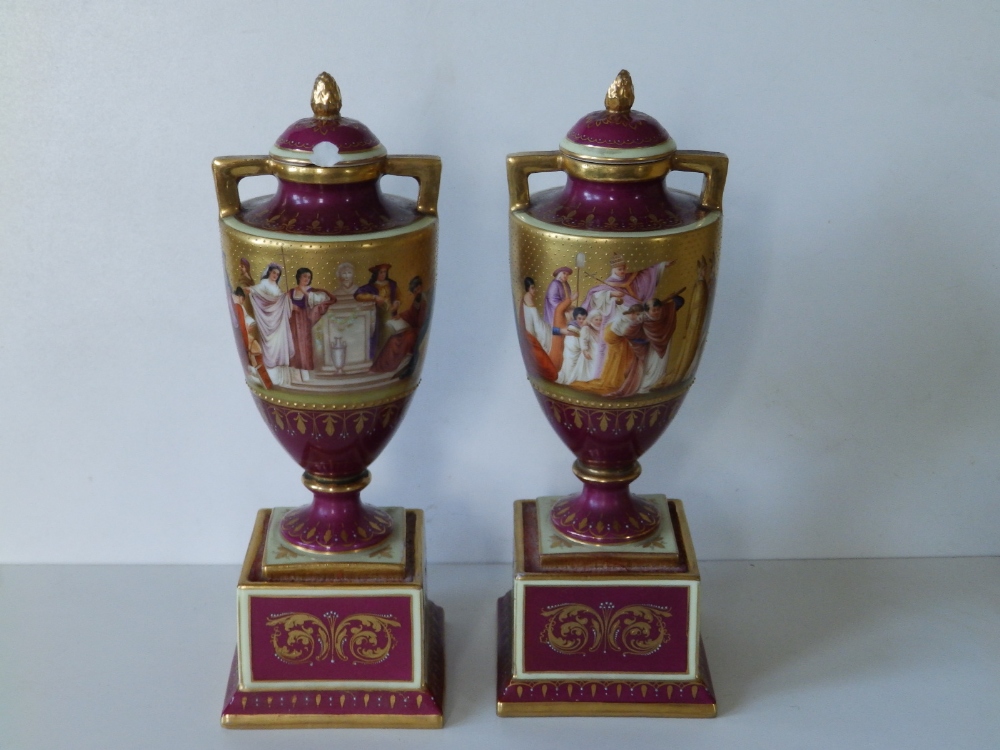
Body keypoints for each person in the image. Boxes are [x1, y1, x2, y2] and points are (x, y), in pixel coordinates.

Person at [582, 254, 673, 332]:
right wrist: (611, 294)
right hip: (618, 312)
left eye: (624, 269)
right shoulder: (608, 283)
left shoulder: (631, 277)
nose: (622, 271)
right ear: (614, 270)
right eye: (619, 269)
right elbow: (594, 295)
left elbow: (645, 274)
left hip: (635, 308)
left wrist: (662, 265)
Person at [572, 303, 646, 398]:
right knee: (613, 361)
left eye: (600, 320)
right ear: (633, 313)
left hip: (611, 344)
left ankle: (617, 380)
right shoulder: (620, 320)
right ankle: (611, 380)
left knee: (618, 361)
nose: (599, 322)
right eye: (638, 314)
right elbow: (619, 332)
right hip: (607, 344)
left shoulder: (621, 320)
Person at [239, 260, 294, 386]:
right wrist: (248, 290)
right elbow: (255, 291)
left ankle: (281, 379)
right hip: (267, 321)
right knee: (270, 347)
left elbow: (280, 301)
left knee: (279, 346)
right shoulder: (263, 284)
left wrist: (285, 299)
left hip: (278, 322)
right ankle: (272, 377)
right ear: (269, 272)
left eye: (277, 274)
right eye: (274, 272)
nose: (275, 275)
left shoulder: (276, 287)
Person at [287, 268, 335, 372]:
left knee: (304, 343)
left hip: (304, 320)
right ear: (299, 277)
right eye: (304, 276)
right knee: (293, 342)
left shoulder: (311, 291)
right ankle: (295, 369)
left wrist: (306, 293)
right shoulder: (291, 292)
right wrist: (291, 306)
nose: (307, 279)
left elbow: (321, 299)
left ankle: (306, 368)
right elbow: (282, 304)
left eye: (309, 277)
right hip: (293, 321)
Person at [637, 296, 683, 393]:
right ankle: (644, 384)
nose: (656, 312)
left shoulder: (664, 315)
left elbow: (679, 302)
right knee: (648, 365)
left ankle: (656, 383)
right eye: (653, 310)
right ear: (647, 311)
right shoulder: (643, 319)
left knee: (659, 365)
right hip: (649, 348)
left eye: (658, 309)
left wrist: (674, 299)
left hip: (663, 346)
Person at [354, 263, 400, 358]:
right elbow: (358, 295)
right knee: (382, 336)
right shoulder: (372, 286)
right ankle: (381, 357)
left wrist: (396, 302)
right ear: (376, 274)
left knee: (393, 335)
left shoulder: (392, 284)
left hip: (392, 312)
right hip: (380, 315)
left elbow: (398, 295)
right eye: (381, 272)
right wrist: (374, 297)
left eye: (385, 272)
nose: (383, 274)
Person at [518, 276, 558, 381]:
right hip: (530, 335)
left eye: (534, 288)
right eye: (532, 288)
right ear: (527, 288)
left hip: (529, 332)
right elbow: (536, 321)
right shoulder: (528, 297)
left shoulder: (525, 297)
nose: (534, 290)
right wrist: (548, 330)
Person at [231, 287, 272, 389]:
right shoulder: (237, 307)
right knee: (256, 355)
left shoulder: (240, 307)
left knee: (256, 355)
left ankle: (265, 382)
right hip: (245, 338)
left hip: (247, 337)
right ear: (240, 297)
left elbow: (247, 320)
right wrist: (245, 329)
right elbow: (240, 324)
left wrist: (248, 327)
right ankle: (264, 381)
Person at [556, 307, 587, 385]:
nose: (581, 321)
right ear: (575, 318)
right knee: (569, 366)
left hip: (576, 351)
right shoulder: (572, 327)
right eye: (579, 318)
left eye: (584, 319)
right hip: (571, 351)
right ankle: (567, 381)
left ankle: (569, 381)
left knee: (573, 367)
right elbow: (571, 341)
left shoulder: (582, 327)